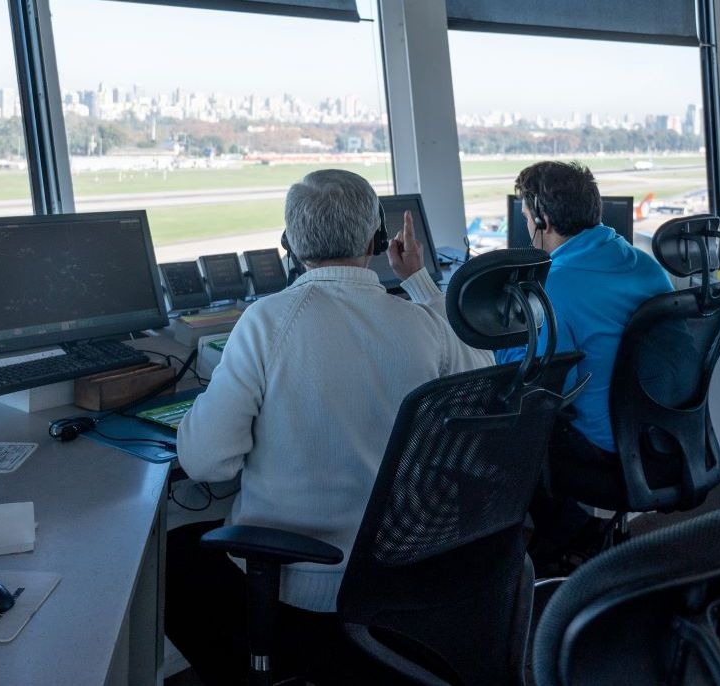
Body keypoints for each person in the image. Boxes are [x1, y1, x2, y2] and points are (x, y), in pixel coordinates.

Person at [164, 169, 491, 684]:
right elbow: (485, 375)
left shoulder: (267, 321)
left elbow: (206, 462)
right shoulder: (422, 324)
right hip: (406, 574)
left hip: (301, 591)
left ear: (289, 245)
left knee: (175, 555)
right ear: (377, 241)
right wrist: (418, 281)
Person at [500, 161, 674, 571]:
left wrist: (497, 351)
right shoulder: (646, 265)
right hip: (662, 437)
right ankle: (575, 531)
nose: (527, 225)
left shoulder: (556, 284)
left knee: (510, 426)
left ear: (542, 218)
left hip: (604, 447)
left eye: (527, 216)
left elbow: (546, 385)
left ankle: (554, 543)